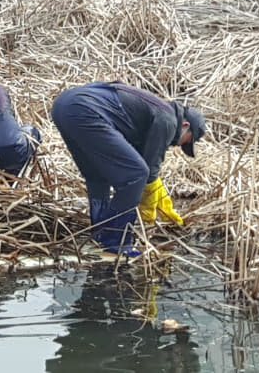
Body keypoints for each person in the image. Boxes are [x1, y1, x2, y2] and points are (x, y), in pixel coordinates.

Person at [51, 82, 205, 256]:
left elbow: (136, 157)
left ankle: (99, 233)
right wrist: (147, 201)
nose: (177, 145)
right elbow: (147, 168)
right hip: (86, 110)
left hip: (63, 105)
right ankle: (117, 243)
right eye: (185, 142)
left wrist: (159, 195)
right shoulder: (168, 119)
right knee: (136, 175)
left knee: (97, 175)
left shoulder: (152, 110)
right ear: (185, 126)